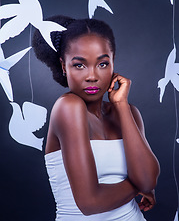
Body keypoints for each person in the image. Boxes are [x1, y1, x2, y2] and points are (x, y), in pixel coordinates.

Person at [32, 15, 160, 221]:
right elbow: (90, 203)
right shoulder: (68, 107)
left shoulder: (129, 112)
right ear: (64, 66)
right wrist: (138, 185)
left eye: (102, 64)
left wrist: (121, 105)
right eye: (79, 65)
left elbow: (148, 179)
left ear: (112, 63)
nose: (92, 76)